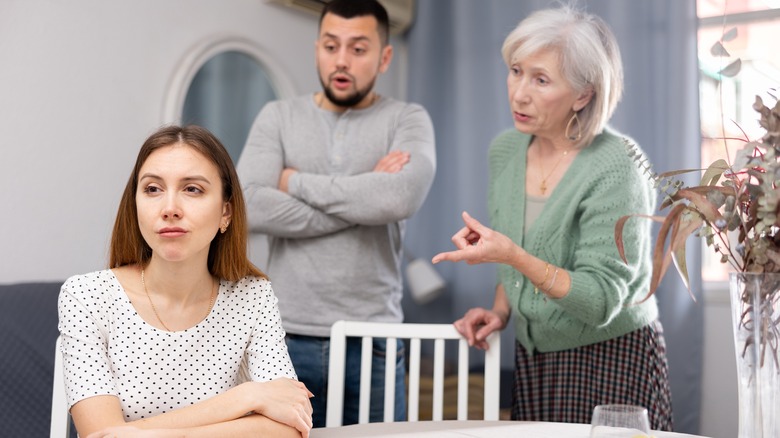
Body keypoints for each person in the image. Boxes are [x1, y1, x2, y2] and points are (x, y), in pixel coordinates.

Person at [431, 6, 673, 431]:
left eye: (540, 80)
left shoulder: (618, 166)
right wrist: (501, 311)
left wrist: (512, 256)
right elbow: (514, 249)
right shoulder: (506, 151)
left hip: (611, 356)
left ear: (583, 94)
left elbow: (599, 300)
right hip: (533, 355)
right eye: (515, 71)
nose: (519, 93)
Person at [236, 0, 436, 427]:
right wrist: (366, 193)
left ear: (384, 57)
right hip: (285, 336)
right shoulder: (278, 116)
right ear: (317, 50)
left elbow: (398, 199)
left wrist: (293, 181)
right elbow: (248, 205)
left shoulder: (408, 120)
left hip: (375, 340)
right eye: (331, 46)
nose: (341, 60)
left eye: (358, 49)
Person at [57, 125, 313, 438]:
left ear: (225, 213)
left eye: (192, 189)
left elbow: (290, 427)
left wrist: (156, 435)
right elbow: (100, 434)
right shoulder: (86, 296)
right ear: (134, 204)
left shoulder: (253, 296)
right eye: (152, 189)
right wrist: (246, 397)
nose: (170, 209)